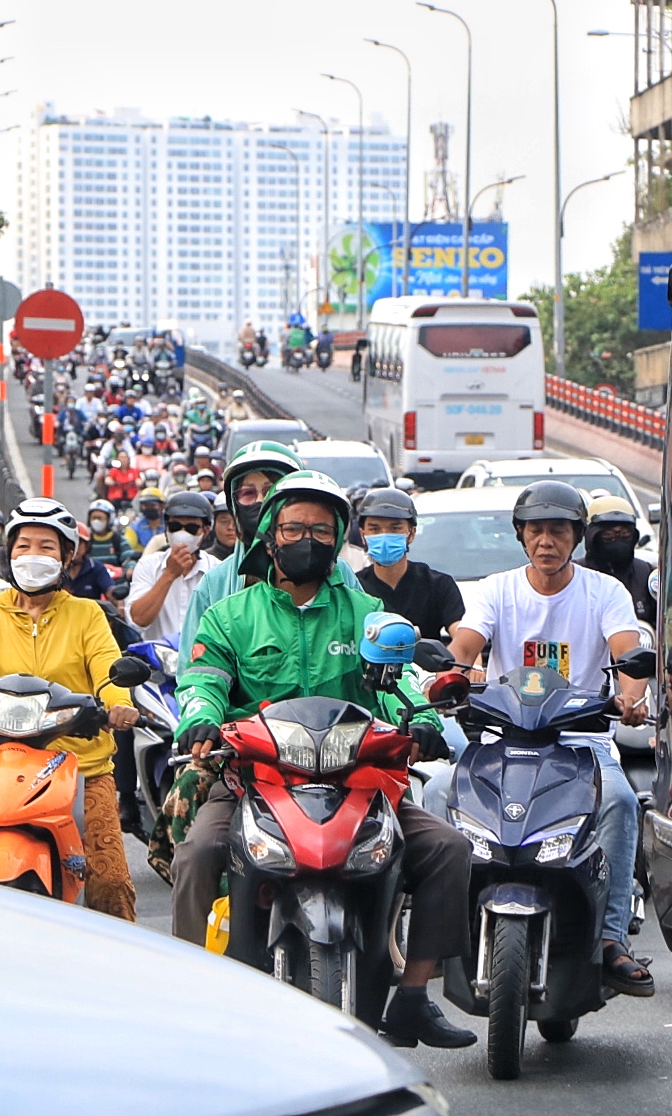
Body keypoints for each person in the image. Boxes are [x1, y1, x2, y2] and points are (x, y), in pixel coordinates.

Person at [171, 472, 476, 1049]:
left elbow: (401, 679)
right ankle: (195, 995)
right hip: (253, 778)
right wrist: (200, 720)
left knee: (447, 850)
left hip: (358, 778)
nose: (304, 539)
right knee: (198, 853)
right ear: (269, 535)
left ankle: (412, 996)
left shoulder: (367, 612)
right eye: (292, 527)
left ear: (337, 540)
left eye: (318, 529)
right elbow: (202, 682)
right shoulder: (230, 616)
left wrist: (424, 720)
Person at [445, 481, 656, 997]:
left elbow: (627, 649)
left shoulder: (605, 592)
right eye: (536, 531)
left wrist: (631, 695)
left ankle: (610, 943)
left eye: (558, 531)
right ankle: (443, 933)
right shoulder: (496, 589)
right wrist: (455, 673)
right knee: (435, 795)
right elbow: (466, 644)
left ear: (575, 538)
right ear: (521, 536)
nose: (546, 542)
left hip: (581, 742)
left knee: (622, 802)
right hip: (501, 738)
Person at [0, 498, 140, 921]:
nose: (33, 556)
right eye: (23, 546)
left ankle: (117, 973)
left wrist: (119, 704)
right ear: (8, 554)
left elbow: (108, 670)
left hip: (81, 770)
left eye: (46, 547)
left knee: (109, 882)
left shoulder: (88, 614)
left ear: (67, 557)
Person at [179, 439, 365, 656]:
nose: (261, 502)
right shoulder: (214, 584)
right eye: (248, 494)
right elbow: (195, 671)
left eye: (271, 490)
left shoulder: (341, 575)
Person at [353, 488, 465, 641]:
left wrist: (467, 662)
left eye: (395, 528)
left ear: (411, 534)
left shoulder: (438, 585)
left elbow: (462, 638)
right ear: (363, 535)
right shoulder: (354, 589)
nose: (384, 535)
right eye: (375, 529)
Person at [127, 491, 220, 643]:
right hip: (157, 661)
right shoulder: (148, 565)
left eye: (191, 528)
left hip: (203, 662)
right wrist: (169, 574)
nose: (182, 534)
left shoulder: (216, 571)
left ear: (206, 531)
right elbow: (138, 620)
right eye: (175, 526)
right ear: (166, 528)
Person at [577, 496, 657, 626]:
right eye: (608, 535)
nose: (617, 541)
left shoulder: (646, 575)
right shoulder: (574, 575)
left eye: (625, 534)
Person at [84, 498, 133, 567]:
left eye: (100, 518)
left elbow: (129, 558)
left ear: (109, 519)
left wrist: (130, 567)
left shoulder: (119, 541)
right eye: (94, 518)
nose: (96, 521)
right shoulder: (86, 542)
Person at [130, 486, 168, 551]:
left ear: (162, 506)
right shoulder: (134, 528)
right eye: (145, 505)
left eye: (152, 505)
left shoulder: (170, 525)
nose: (149, 508)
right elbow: (129, 548)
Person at [204, 494, 239, 561]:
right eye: (224, 521)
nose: (230, 527)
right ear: (214, 525)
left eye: (237, 522)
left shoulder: (256, 559)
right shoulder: (205, 562)